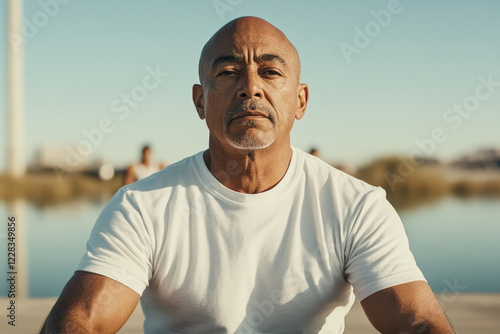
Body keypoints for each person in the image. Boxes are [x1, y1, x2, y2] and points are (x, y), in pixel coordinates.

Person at [40, 17, 454, 333]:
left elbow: (416, 321)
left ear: (300, 101)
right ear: (200, 101)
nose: (249, 87)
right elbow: (82, 320)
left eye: (271, 72)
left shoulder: (357, 207)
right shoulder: (142, 206)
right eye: (227, 72)